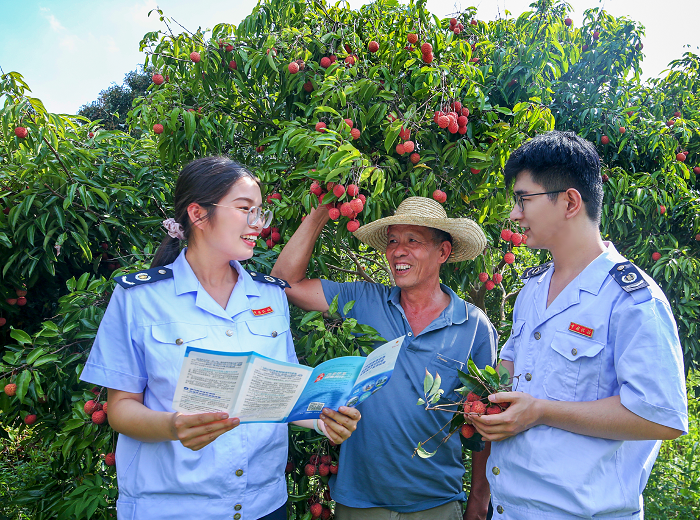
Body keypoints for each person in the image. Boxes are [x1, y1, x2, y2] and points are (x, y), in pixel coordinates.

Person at [79, 156, 360, 520]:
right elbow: (120, 408)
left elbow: (282, 393)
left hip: (264, 504)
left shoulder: (270, 295)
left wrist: (324, 417)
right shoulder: (139, 298)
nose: (257, 223)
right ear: (198, 214)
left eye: (260, 212)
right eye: (244, 209)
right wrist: (172, 427)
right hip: (175, 508)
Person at [469, 131, 689, 519]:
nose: (515, 214)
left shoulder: (631, 300)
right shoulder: (533, 289)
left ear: (570, 202)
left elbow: (660, 415)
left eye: (523, 199)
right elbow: (513, 367)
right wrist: (483, 399)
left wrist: (541, 411)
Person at [271, 196, 497, 520]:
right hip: (360, 502)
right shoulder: (364, 300)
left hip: (436, 502)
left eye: (412, 240)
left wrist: (479, 497)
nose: (398, 251)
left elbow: (484, 420)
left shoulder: (474, 326)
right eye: (392, 241)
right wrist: (322, 209)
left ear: (443, 252)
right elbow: (285, 283)